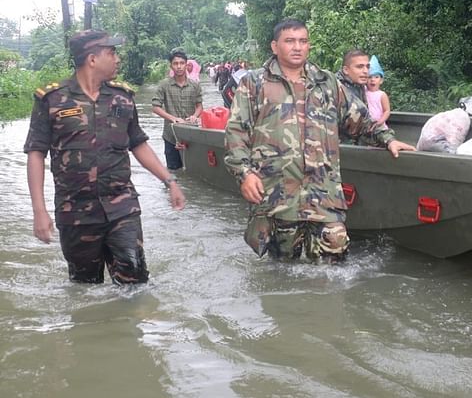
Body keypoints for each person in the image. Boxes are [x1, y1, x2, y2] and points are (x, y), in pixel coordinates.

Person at [224, 19, 415, 262]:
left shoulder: (326, 83)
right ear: (274, 46)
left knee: (333, 268)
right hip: (277, 196)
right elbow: (237, 132)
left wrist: (388, 140)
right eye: (290, 41)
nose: (297, 47)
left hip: (324, 195)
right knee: (282, 272)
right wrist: (244, 173)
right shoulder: (254, 83)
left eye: (303, 41)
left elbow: (360, 119)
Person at [23, 29, 186, 284]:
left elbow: (139, 144)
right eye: (111, 52)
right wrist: (39, 211)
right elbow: (35, 153)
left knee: (134, 280)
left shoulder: (123, 98)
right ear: (92, 59)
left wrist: (170, 181)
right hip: (75, 211)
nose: (117, 58)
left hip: (122, 205)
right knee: (85, 289)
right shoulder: (52, 100)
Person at [152, 48, 203, 170]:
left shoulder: (195, 85)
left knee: (192, 171)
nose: (179, 66)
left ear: (186, 65)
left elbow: (199, 105)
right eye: (175, 63)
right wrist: (173, 118)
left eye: (181, 63)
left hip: (191, 135)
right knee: (174, 172)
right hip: (171, 136)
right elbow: (155, 107)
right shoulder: (164, 85)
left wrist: (195, 116)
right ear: (171, 66)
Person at [366, 55, 391, 130]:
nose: (373, 80)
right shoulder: (363, 91)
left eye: (376, 77)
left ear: (381, 80)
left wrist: (380, 122)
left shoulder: (382, 95)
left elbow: (387, 110)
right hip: (366, 125)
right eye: (370, 77)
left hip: (379, 126)